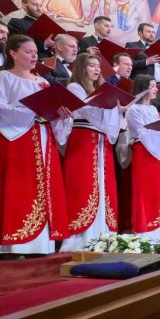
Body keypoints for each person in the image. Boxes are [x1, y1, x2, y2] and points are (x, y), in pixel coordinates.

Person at [0, 35, 70, 258]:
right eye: (28, 52)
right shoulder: (4, 76)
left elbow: (50, 113)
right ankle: (13, 244)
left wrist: (61, 116)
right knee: (18, 187)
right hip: (17, 138)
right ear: (13, 53)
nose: (34, 56)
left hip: (43, 138)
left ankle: (40, 245)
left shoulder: (43, 82)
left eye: (35, 52)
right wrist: (31, 111)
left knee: (43, 188)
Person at [51, 52, 121, 252]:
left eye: (98, 66)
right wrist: (108, 107)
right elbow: (87, 111)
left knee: (102, 186)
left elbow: (108, 122)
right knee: (82, 186)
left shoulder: (100, 89)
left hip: (101, 141)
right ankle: (81, 238)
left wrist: (115, 108)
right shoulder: (75, 87)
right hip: (82, 139)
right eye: (91, 65)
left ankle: (102, 236)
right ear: (82, 68)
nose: (96, 69)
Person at [125, 75, 160, 240]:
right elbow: (142, 133)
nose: (156, 89)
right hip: (145, 153)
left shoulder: (154, 109)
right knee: (147, 190)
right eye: (153, 86)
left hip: (159, 152)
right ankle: (147, 234)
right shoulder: (133, 109)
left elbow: (158, 131)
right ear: (143, 88)